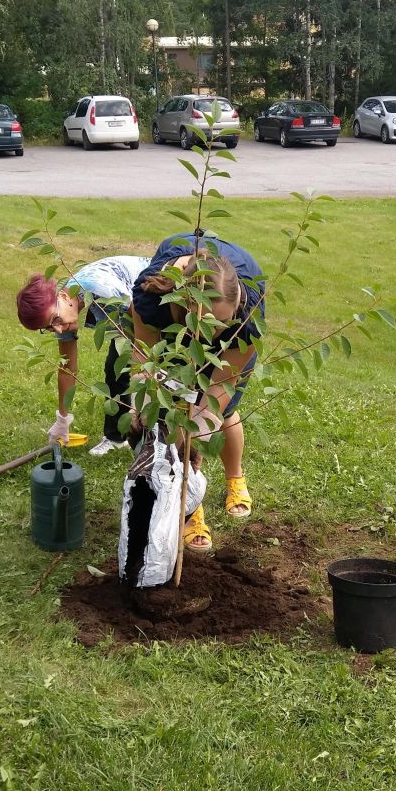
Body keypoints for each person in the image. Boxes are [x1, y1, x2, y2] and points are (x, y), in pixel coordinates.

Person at [131, 231, 265, 553]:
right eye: (205, 322)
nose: (212, 332)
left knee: (219, 416)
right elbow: (146, 360)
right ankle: (192, 508)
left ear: (236, 307)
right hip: (173, 334)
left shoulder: (248, 312)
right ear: (182, 302)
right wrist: (143, 403)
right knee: (167, 414)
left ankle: (233, 478)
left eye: (221, 322)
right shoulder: (152, 295)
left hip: (229, 351)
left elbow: (219, 387)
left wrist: (194, 432)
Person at [16, 255, 150, 456]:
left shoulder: (100, 289)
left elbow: (143, 328)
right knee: (116, 367)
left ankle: (155, 438)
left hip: (156, 293)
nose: (59, 330)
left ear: (61, 297)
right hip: (127, 310)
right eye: (49, 328)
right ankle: (117, 438)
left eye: (55, 320)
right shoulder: (65, 311)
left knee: (143, 368)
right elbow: (67, 369)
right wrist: (63, 419)